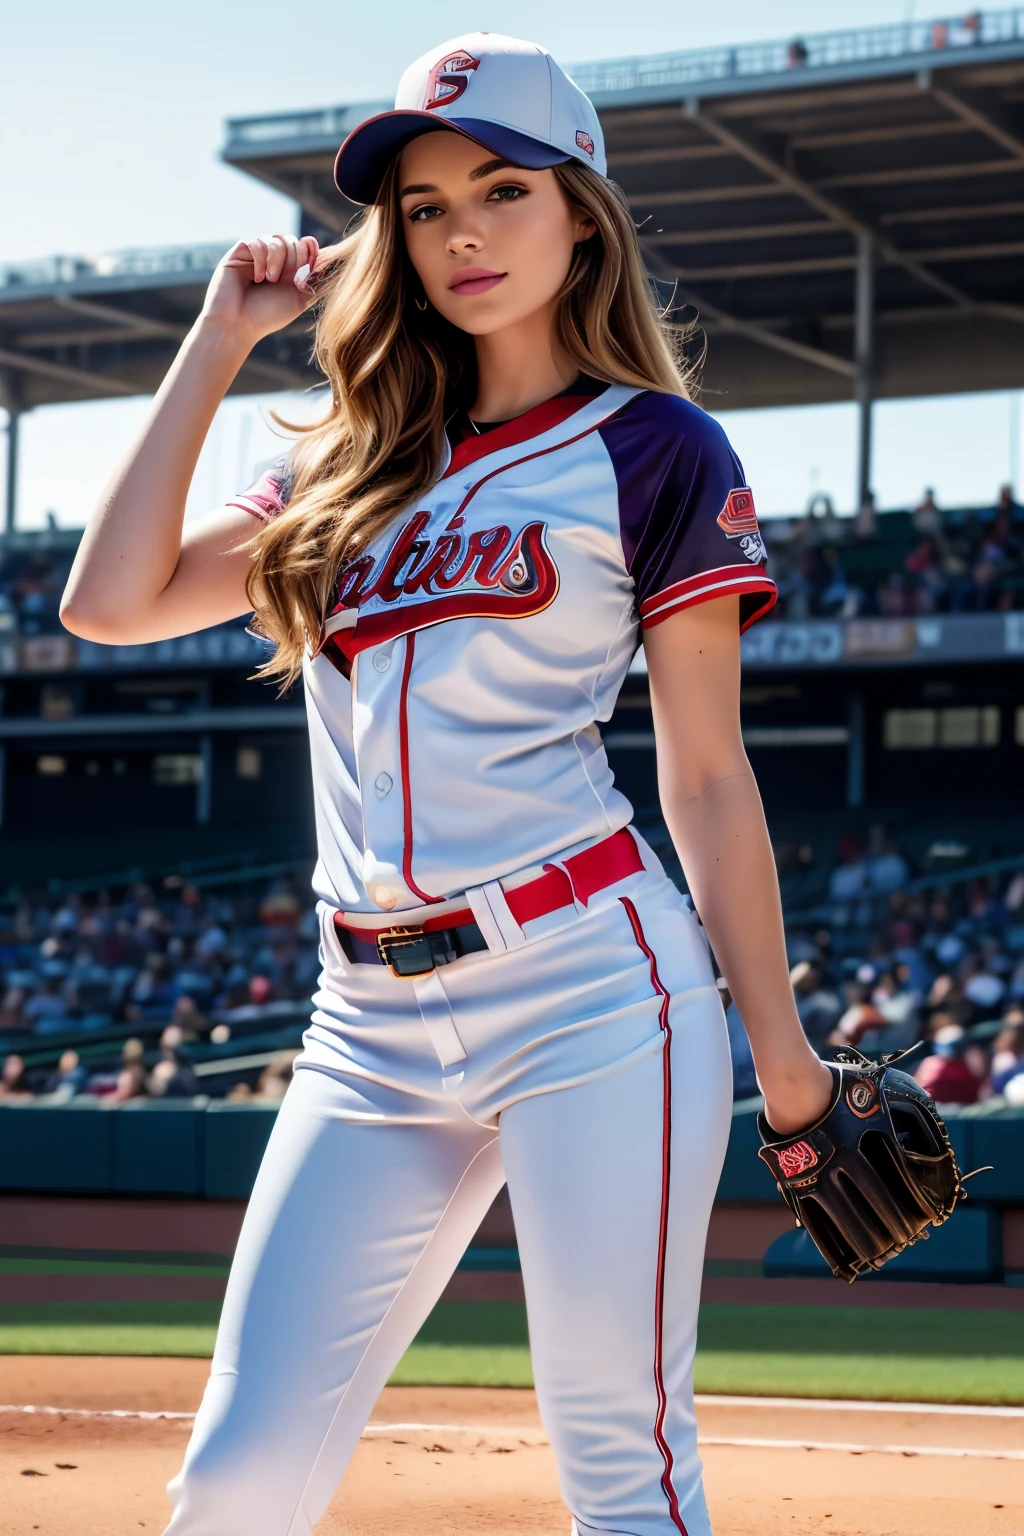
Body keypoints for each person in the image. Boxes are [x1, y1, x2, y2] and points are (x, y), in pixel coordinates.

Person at [60, 32, 832, 1536]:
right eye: (421, 207)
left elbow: (709, 776)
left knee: (621, 1466)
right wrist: (217, 339)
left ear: (581, 213)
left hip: (592, 990)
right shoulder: (349, 467)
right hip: (366, 1026)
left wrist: (787, 1059)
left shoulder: (655, 450)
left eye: (501, 187)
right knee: (234, 1478)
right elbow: (109, 601)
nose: (461, 231)